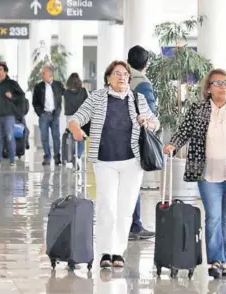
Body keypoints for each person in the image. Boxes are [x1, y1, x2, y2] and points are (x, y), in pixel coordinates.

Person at [163, 68, 226, 278]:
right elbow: (185, 130)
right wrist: (172, 144)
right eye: (218, 83)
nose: (223, 87)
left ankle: (223, 259)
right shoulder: (199, 108)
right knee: (214, 217)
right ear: (208, 88)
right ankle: (215, 260)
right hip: (207, 173)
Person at [68, 60, 160, 268]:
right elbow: (76, 118)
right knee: (107, 206)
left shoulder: (138, 98)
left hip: (132, 161)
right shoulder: (97, 97)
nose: (122, 77)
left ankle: (118, 251)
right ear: (108, 77)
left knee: (125, 208)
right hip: (104, 161)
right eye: (117, 73)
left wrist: (147, 122)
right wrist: (75, 129)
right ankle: (104, 252)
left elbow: (156, 122)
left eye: (125, 74)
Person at [127, 45, 158, 241]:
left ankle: (129, 224)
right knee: (133, 183)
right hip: (135, 139)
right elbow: (151, 115)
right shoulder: (143, 83)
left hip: (118, 138)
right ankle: (135, 225)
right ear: (146, 64)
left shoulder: (119, 77)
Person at [0, 62, 25, 167]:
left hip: (8, 116)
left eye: (0, 69)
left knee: (9, 136)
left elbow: (22, 96)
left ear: (5, 72)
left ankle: (12, 160)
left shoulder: (12, 84)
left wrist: (12, 96)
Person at [32, 65, 64, 166]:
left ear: (50, 74)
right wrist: (40, 113)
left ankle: (57, 157)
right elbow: (35, 102)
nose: (42, 75)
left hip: (55, 115)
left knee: (56, 136)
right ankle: (47, 156)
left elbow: (64, 96)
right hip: (44, 115)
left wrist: (58, 112)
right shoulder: (38, 87)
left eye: (44, 73)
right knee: (44, 137)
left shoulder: (58, 85)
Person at [64, 72, 88, 167]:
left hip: (70, 118)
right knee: (82, 137)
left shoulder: (66, 93)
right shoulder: (83, 91)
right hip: (81, 117)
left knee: (71, 137)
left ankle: (71, 156)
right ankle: (77, 156)